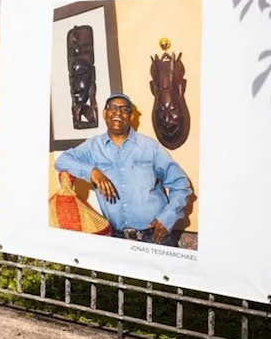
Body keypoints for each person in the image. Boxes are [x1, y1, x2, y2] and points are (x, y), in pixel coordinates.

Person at [54, 93, 193, 245]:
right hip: (117, 238)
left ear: (131, 116)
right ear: (104, 113)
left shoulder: (149, 147)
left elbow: (180, 184)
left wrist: (168, 218)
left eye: (124, 109)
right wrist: (92, 171)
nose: (118, 113)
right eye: (112, 108)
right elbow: (62, 160)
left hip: (155, 236)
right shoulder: (93, 147)